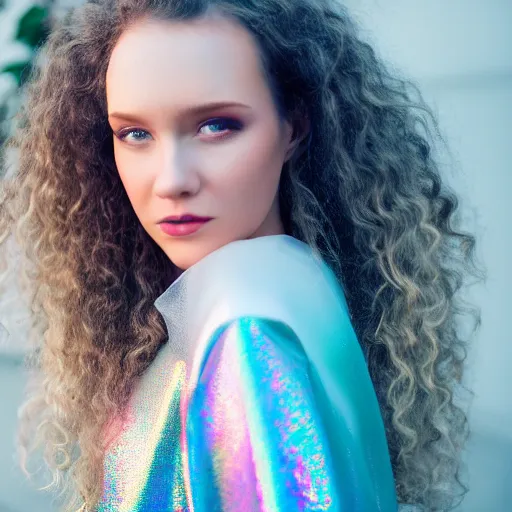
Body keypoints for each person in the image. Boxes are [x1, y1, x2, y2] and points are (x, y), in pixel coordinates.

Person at [0, 0, 484, 511]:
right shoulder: (294, 275)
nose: (171, 180)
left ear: (293, 127)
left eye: (216, 126)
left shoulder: (246, 326)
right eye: (135, 133)